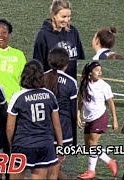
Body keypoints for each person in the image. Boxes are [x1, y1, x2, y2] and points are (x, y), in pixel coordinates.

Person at [6, 60, 64, 179]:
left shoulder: (18, 97)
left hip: (23, 144)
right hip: (45, 144)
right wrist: (60, 146)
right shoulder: (50, 95)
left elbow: (9, 127)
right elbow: (57, 124)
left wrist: (12, 145)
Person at [77, 61, 118, 179]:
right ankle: (110, 161)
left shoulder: (104, 86)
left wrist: (115, 119)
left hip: (100, 117)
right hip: (89, 118)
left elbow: (111, 103)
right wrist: (78, 113)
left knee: (93, 144)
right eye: (97, 70)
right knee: (87, 147)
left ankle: (91, 171)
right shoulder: (84, 83)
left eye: (100, 70)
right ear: (90, 72)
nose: (100, 72)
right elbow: (81, 99)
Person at [44, 47, 77, 179]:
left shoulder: (42, 77)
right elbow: (74, 112)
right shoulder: (70, 82)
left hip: (42, 131)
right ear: (66, 63)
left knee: (52, 170)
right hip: (63, 133)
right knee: (53, 172)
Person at [33, 0, 85, 80]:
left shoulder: (73, 31)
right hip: (51, 84)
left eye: (69, 16)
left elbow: (80, 57)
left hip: (71, 83)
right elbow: (38, 62)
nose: (67, 20)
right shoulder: (43, 35)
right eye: (63, 17)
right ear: (54, 15)